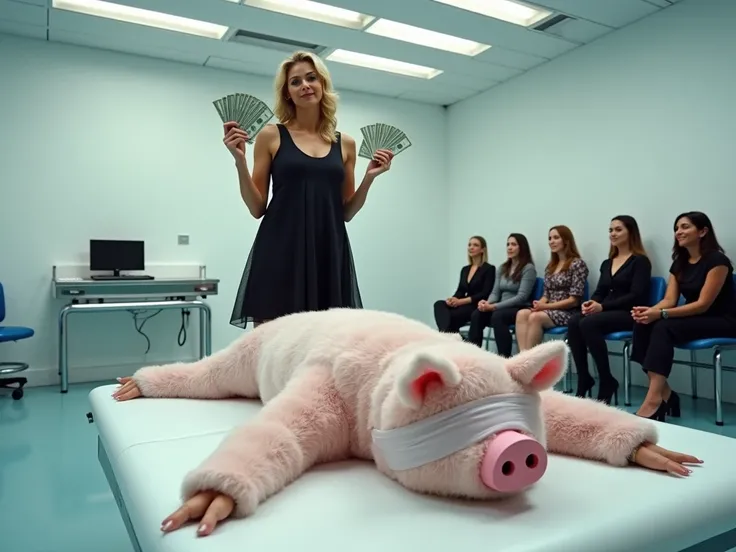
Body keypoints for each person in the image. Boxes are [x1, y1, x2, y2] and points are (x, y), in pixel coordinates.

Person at [224, 51, 395, 328]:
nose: (304, 85)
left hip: (327, 248)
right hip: (281, 247)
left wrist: (369, 178)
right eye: (295, 81)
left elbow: (347, 211)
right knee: (272, 343)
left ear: (322, 84)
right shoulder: (271, 135)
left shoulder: (346, 144)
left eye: (311, 78)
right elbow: (257, 208)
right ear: (287, 93)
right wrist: (240, 161)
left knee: (325, 343)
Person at [630, 211, 736, 421]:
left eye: (685, 227)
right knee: (643, 324)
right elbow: (669, 300)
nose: (679, 232)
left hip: (723, 320)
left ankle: (653, 401)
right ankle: (666, 395)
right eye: (677, 228)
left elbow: (703, 305)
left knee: (662, 326)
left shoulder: (718, 261)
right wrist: (649, 312)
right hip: (695, 320)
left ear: (703, 231)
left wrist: (660, 314)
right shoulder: (679, 263)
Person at [566, 216, 652, 404]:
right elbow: (600, 292)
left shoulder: (640, 262)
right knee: (574, 320)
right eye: (611, 230)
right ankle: (584, 377)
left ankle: (606, 380)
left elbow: (636, 295)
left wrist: (602, 306)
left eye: (618, 230)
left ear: (631, 233)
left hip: (629, 312)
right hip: (606, 311)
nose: (613, 234)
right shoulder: (608, 263)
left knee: (589, 323)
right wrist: (590, 303)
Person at [515, 225, 589, 351]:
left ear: (566, 240)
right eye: (550, 238)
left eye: (556, 238)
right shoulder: (551, 266)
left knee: (536, 317)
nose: (551, 241)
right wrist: (539, 305)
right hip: (548, 310)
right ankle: (523, 357)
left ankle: (530, 361)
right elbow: (546, 295)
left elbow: (574, 300)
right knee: (522, 313)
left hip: (569, 312)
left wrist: (545, 307)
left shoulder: (577, 264)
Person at [467, 233, 537, 356]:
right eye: (508, 244)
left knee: (497, 316)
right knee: (477, 314)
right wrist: (487, 304)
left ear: (522, 247)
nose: (509, 247)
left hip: (518, 307)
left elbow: (522, 297)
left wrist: (494, 307)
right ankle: (474, 356)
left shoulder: (528, 268)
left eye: (513, 244)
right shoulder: (503, 268)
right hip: (499, 307)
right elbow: (495, 292)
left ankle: (504, 359)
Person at [433, 236, 495, 334]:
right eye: (469, 245)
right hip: (462, 303)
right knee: (439, 304)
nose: (471, 247)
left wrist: (460, 301)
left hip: (475, 305)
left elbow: (485, 293)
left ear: (482, 250)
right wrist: (452, 299)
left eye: (475, 245)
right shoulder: (465, 269)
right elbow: (460, 290)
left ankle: (448, 338)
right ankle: (452, 338)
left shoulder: (489, 269)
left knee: (450, 316)